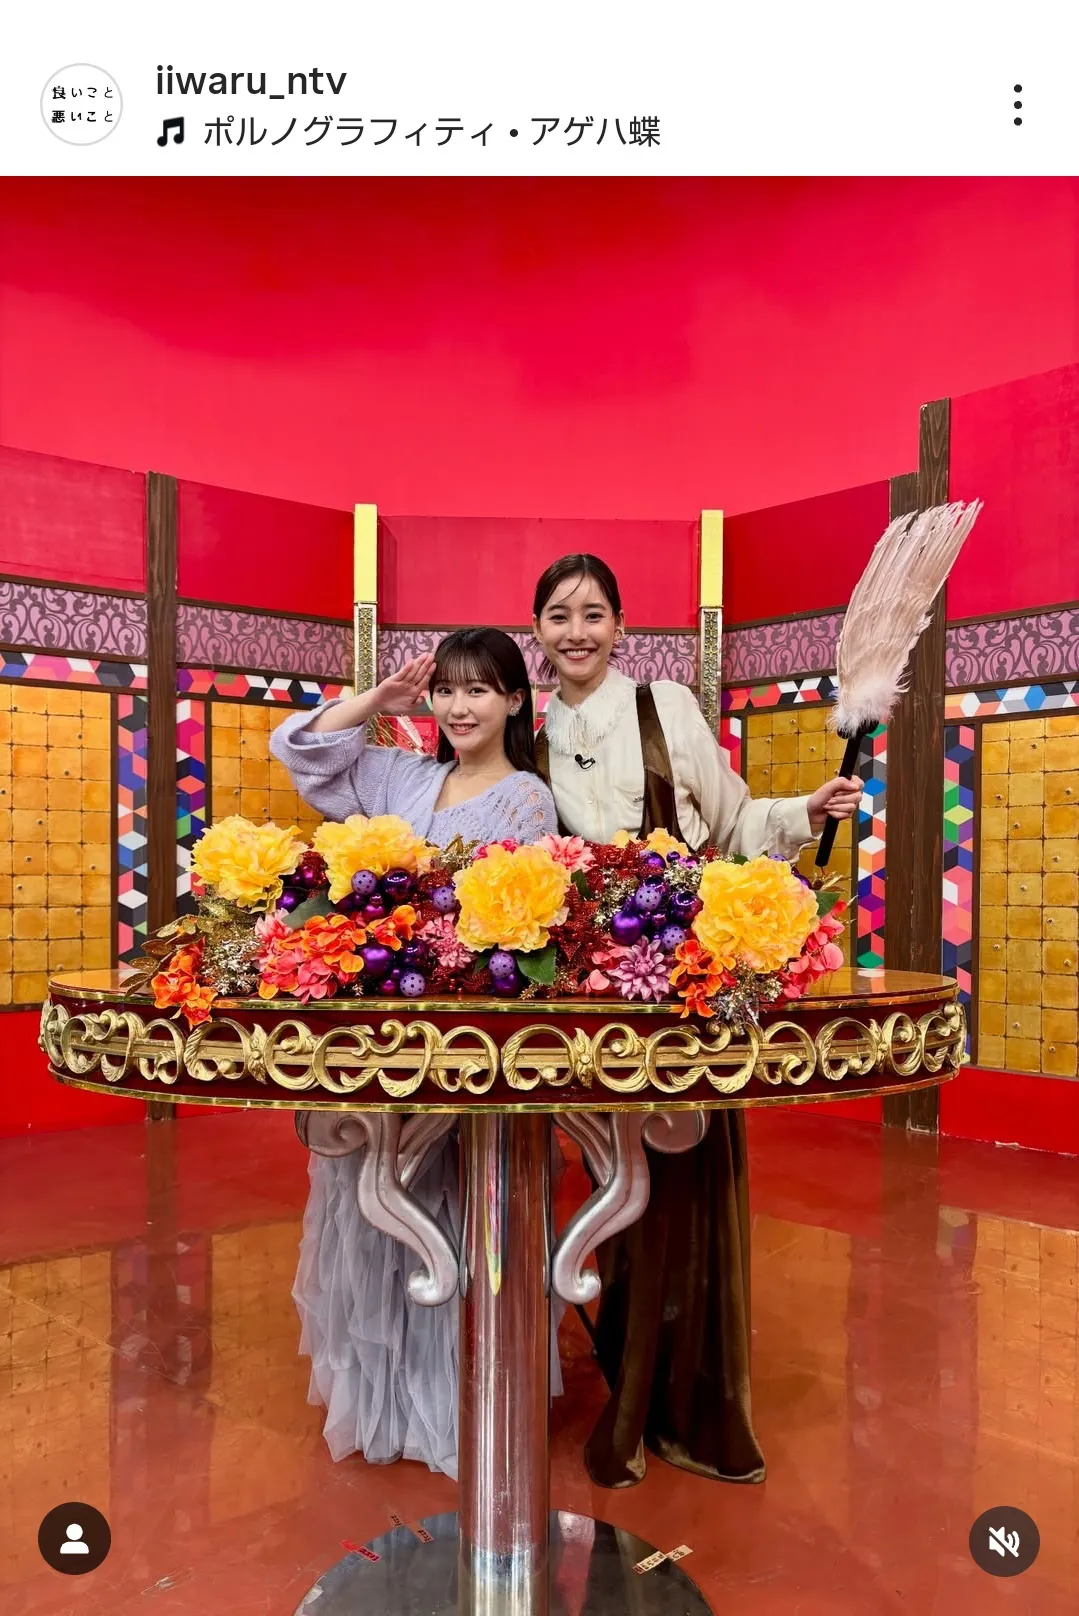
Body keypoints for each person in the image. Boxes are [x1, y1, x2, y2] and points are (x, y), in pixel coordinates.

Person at [531, 553, 863, 1489]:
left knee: (676, 1183)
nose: (576, 632)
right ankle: (599, 1364)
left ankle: (673, 1400)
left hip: (678, 982)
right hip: (581, 994)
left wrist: (805, 809)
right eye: (558, 615)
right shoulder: (529, 730)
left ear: (620, 627)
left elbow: (733, 821)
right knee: (590, 1182)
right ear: (537, 631)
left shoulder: (665, 706)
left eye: (593, 613)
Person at [269, 627, 560, 1479]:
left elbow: (516, 921)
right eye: (447, 690)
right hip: (379, 1039)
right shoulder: (401, 775)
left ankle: (457, 1404)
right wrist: (378, 701)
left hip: (462, 1046)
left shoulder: (527, 801)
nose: (459, 707)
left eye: (479, 690)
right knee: (371, 1212)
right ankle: (385, 1408)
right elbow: (299, 751)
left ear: (515, 700)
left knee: (450, 1208)